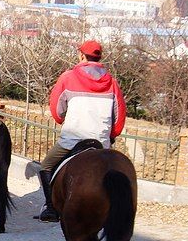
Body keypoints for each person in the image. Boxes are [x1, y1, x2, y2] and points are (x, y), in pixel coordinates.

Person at [36, 40, 126, 222]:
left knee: (46, 165)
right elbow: (119, 116)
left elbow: (56, 109)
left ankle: (51, 208)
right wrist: (112, 135)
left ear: (81, 56)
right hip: (101, 142)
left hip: (72, 139)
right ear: (100, 57)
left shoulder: (68, 77)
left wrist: (62, 120)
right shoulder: (113, 83)